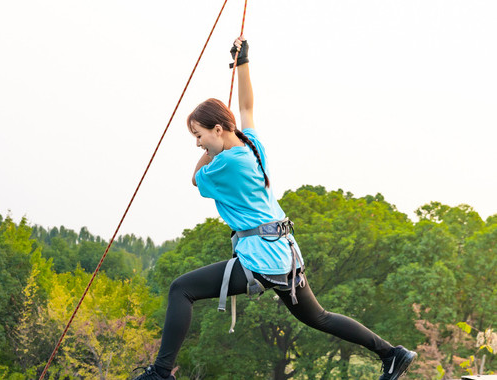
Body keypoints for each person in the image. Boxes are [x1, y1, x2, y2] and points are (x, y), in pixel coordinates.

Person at [131, 37, 416, 380]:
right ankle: (392, 353)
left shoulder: (227, 164)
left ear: (218, 129)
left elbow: (194, 180)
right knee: (319, 317)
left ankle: (161, 373)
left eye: (198, 134)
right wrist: (243, 62)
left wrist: (209, 150)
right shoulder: (252, 145)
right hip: (282, 252)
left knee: (182, 289)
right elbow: (247, 108)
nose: (197, 142)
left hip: (262, 257)